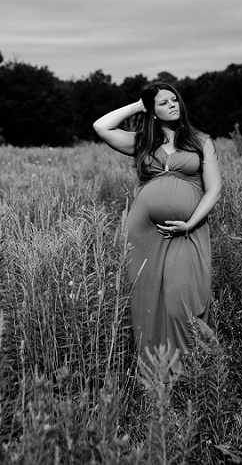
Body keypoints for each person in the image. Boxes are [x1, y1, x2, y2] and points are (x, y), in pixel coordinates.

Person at [93, 81, 221, 365]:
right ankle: (158, 371)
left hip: (188, 231)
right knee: (147, 302)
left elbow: (214, 190)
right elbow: (101, 126)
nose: (172, 105)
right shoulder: (142, 142)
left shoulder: (201, 141)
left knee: (181, 303)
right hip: (144, 233)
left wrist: (189, 224)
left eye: (174, 100)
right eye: (163, 103)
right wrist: (140, 104)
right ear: (153, 111)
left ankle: (199, 368)